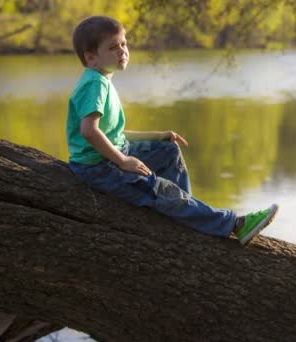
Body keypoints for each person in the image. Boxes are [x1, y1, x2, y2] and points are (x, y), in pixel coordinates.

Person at [66, 15, 278, 246]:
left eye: (123, 44)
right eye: (112, 47)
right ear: (91, 58)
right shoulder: (95, 84)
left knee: (168, 149)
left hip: (112, 155)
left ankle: (187, 212)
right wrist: (123, 161)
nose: (122, 51)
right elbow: (89, 131)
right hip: (98, 167)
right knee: (161, 189)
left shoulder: (101, 79)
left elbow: (113, 133)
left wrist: (158, 136)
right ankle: (233, 225)